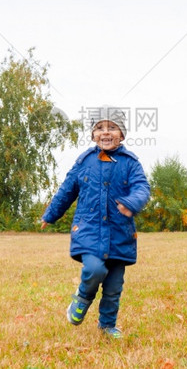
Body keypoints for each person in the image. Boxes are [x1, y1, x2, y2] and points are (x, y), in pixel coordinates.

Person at [40, 107, 150, 339]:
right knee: (94, 269)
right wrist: (50, 215)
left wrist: (131, 202)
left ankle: (107, 326)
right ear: (92, 135)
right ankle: (81, 299)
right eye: (100, 128)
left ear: (122, 134)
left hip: (120, 233)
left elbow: (142, 187)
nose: (105, 132)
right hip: (89, 230)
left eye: (112, 127)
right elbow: (67, 190)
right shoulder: (84, 162)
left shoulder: (130, 163)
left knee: (113, 288)